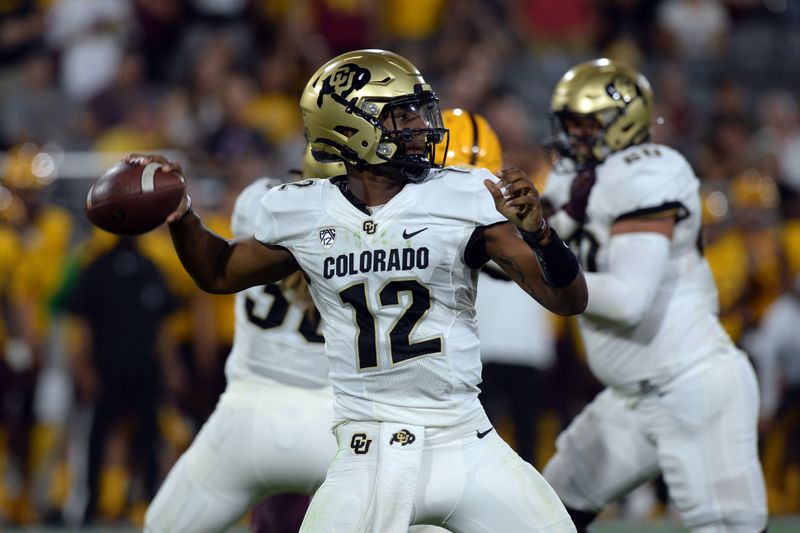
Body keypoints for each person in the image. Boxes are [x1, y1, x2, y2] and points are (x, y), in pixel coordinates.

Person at [132, 49, 586, 532]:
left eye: (417, 110)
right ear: (351, 127)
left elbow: (567, 299)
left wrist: (540, 237)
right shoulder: (304, 211)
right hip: (365, 452)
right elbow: (218, 272)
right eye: (401, 114)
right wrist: (182, 215)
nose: (419, 125)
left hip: (463, 440)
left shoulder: (463, 194)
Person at [539, 58, 768, 533]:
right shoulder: (571, 179)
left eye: (585, 125)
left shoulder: (650, 172)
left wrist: (540, 278)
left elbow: (627, 300)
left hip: (691, 385)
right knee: (544, 514)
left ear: (623, 125)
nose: (571, 136)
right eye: (567, 124)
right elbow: (535, 250)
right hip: (630, 396)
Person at [438, 108, 558, 467]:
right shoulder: (522, 205)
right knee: (511, 445)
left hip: (485, 347)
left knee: (479, 446)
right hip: (492, 346)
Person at [62, 235, 178, 525]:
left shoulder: (151, 267)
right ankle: (92, 501)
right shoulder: (96, 267)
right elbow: (83, 320)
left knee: (149, 437)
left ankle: (150, 500)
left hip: (144, 368)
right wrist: (84, 365)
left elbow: (163, 324)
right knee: (98, 436)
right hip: (107, 369)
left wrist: (170, 365)